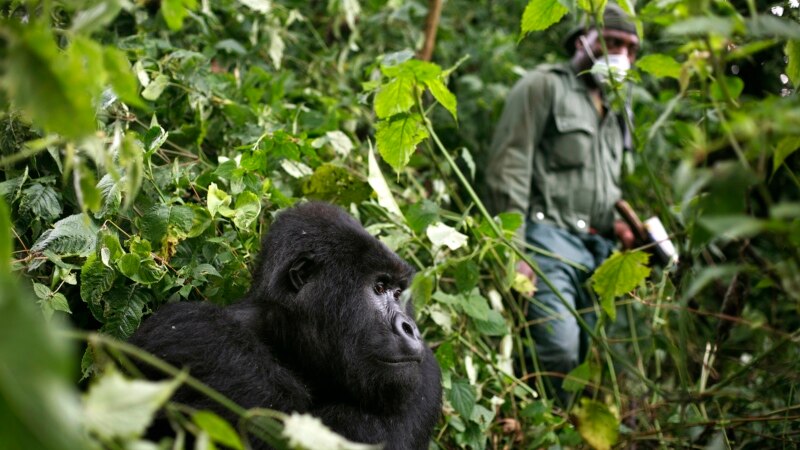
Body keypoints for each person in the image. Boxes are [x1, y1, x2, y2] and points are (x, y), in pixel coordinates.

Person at [485, 3, 639, 405]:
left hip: (598, 251)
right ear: (581, 41)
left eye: (631, 47)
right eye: (613, 42)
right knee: (559, 351)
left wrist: (620, 225)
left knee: (589, 359)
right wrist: (512, 250)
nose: (621, 55)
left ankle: (553, 424)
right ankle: (535, 427)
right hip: (546, 242)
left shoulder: (619, 107)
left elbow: (603, 181)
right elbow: (509, 169)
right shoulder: (543, 87)